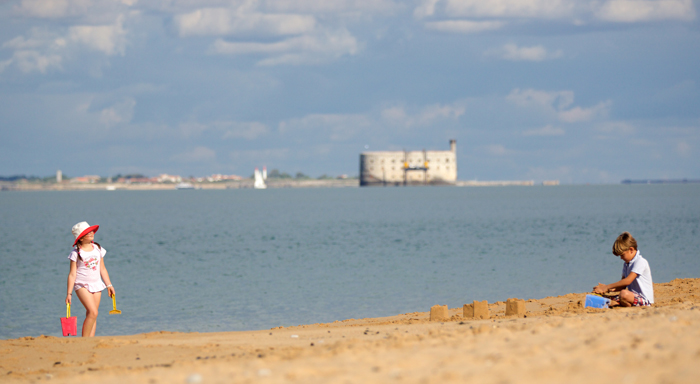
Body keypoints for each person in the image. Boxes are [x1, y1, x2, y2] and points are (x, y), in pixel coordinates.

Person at [65, 221, 116, 337]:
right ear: (81, 238)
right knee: (93, 312)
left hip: (97, 284)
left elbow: (102, 269)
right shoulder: (76, 253)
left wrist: (109, 285)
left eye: (91, 231)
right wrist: (69, 293)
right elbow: (72, 274)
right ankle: (84, 341)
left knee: (93, 314)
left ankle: (90, 341)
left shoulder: (98, 248)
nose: (91, 233)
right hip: (81, 285)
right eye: (87, 232)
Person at [593, 232, 653, 307]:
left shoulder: (640, 261)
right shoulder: (626, 264)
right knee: (601, 297)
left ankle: (619, 304)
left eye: (622, 255)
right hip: (632, 297)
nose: (621, 258)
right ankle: (616, 304)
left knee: (623, 294)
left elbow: (627, 281)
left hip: (644, 300)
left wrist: (607, 286)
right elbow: (622, 286)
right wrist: (606, 290)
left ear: (631, 250)